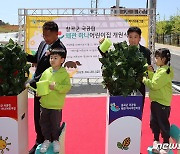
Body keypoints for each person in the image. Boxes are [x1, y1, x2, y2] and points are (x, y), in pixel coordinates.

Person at [27, 21, 67, 154]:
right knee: (38, 117)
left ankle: (48, 141)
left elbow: (49, 70)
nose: (45, 38)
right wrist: (24, 56)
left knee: (50, 118)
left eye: (48, 35)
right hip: (38, 88)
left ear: (56, 34)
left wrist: (32, 82)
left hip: (48, 90)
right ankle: (40, 140)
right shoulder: (43, 44)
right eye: (43, 35)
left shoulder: (60, 49)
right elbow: (37, 60)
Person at [98, 26, 151, 112]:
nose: (133, 39)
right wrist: (102, 44)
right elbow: (109, 59)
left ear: (140, 38)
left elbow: (147, 70)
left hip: (139, 88)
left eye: (135, 37)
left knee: (137, 113)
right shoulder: (122, 50)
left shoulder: (146, 51)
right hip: (122, 89)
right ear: (127, 37)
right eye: (130, 37)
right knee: (123, 113)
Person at [38, 48, 71, 153]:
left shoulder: (64, 73)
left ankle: (56, 140)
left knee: (55, 124)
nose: (52, 60)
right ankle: (47, 140)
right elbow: (41, 83)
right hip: (44, 104)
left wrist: (56, 87)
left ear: (62, 60)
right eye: (51, 57)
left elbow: (67, 87)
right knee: (44, 123)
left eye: (55, 58)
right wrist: (39, 92)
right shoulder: (46, 72)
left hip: (56, 105)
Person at [142, 48, 174, 154]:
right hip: (155, 101)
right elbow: (154, 80)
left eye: (157, 57)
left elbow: (154, 85)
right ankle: (156, 141)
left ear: (163, 59)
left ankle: (166, 144)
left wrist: (143, 79)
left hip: (162, 103)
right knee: (154, 123)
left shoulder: (164, 72)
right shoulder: (160, 69)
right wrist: (150, 73)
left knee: (163, 125)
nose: (155, 59)